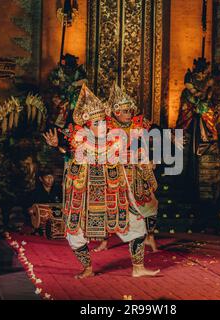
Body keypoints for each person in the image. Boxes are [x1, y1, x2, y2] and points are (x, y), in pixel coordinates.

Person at [43, 84, 160, 279]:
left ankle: (138, 267)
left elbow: (129, 156)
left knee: (138, 226)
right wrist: (57, 146)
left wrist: (143, 161)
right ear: (88, 125)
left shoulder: (114, 140)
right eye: (97, 124)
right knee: (75, 234)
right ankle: (88, 268)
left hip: (113, 195)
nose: (103, 126)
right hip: (85, 199)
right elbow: (66, 148)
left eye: (103, 122)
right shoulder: (77, 140)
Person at [104, 83, 160, 252]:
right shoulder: (107, 128)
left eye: (130, 111)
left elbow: (152, 139)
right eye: (125, 111)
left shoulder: (138, 125)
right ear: (115, 112)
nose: (129, 114)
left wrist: (151, 159)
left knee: (151, 204)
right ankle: (105, 240)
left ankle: (149, 236)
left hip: (137, 172)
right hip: (116, 173)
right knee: (110, 205)